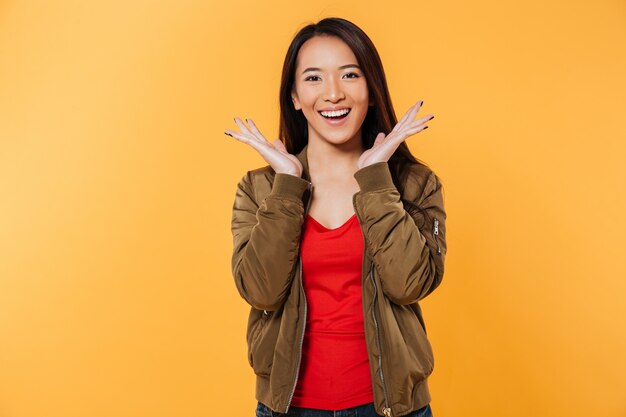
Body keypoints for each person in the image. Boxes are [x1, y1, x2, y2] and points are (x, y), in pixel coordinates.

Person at [226, 17, 447, 417]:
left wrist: (377, 182)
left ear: (371, 89)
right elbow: (260, 291)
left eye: (350, 75)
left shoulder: (413, 183)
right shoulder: (260, 189)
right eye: (313, 78)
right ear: (294, 96)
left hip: (392, 407)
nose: (333, 94)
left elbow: (410, 284)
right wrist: (288, 185)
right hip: (287, 407)